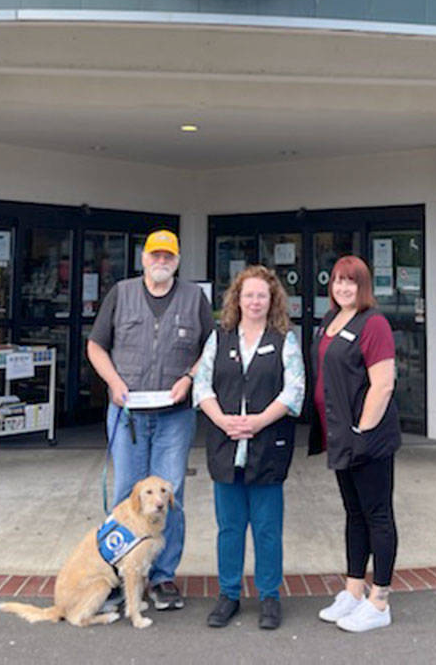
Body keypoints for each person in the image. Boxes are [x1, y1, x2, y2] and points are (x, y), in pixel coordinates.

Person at [86, 228, 213, 611]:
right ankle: (119, 575)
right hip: (127, 416)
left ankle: (162, 578)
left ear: (176, 261)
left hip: (174, 417)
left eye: (168, 256)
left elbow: (211, 348)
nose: (161, 261)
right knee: (127, 493)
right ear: (143, 258)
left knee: (170, 495)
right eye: (154, 255)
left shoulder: (194, 299)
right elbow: (96, 345)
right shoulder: (120, 294)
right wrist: (113, 381)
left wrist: (189, 378)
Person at [193, 265, 305, 631]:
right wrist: (223, 421)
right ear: (236, 299)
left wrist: (258, 422)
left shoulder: (284, 338)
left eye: (261, 295)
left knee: (268, 528)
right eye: (248, 295)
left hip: (267, 443)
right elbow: (202, 387)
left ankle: (269, 596)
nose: (255, 301)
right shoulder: (220, 337)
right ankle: (229, 595)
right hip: (226, 444)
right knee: (229, 527)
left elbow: (294, 392)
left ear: (272, 300)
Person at [310, 254, 401, 633]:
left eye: (351, 281)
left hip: (368, 438)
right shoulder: (331, 320)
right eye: (337, 281)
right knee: (354, 513)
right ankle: (353, 590)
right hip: (341, 436)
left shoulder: (373, 323)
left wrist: (363, 431)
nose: (343, 287)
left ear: (363, 286)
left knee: (377, 514)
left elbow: (383, 384)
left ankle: (379, 601)